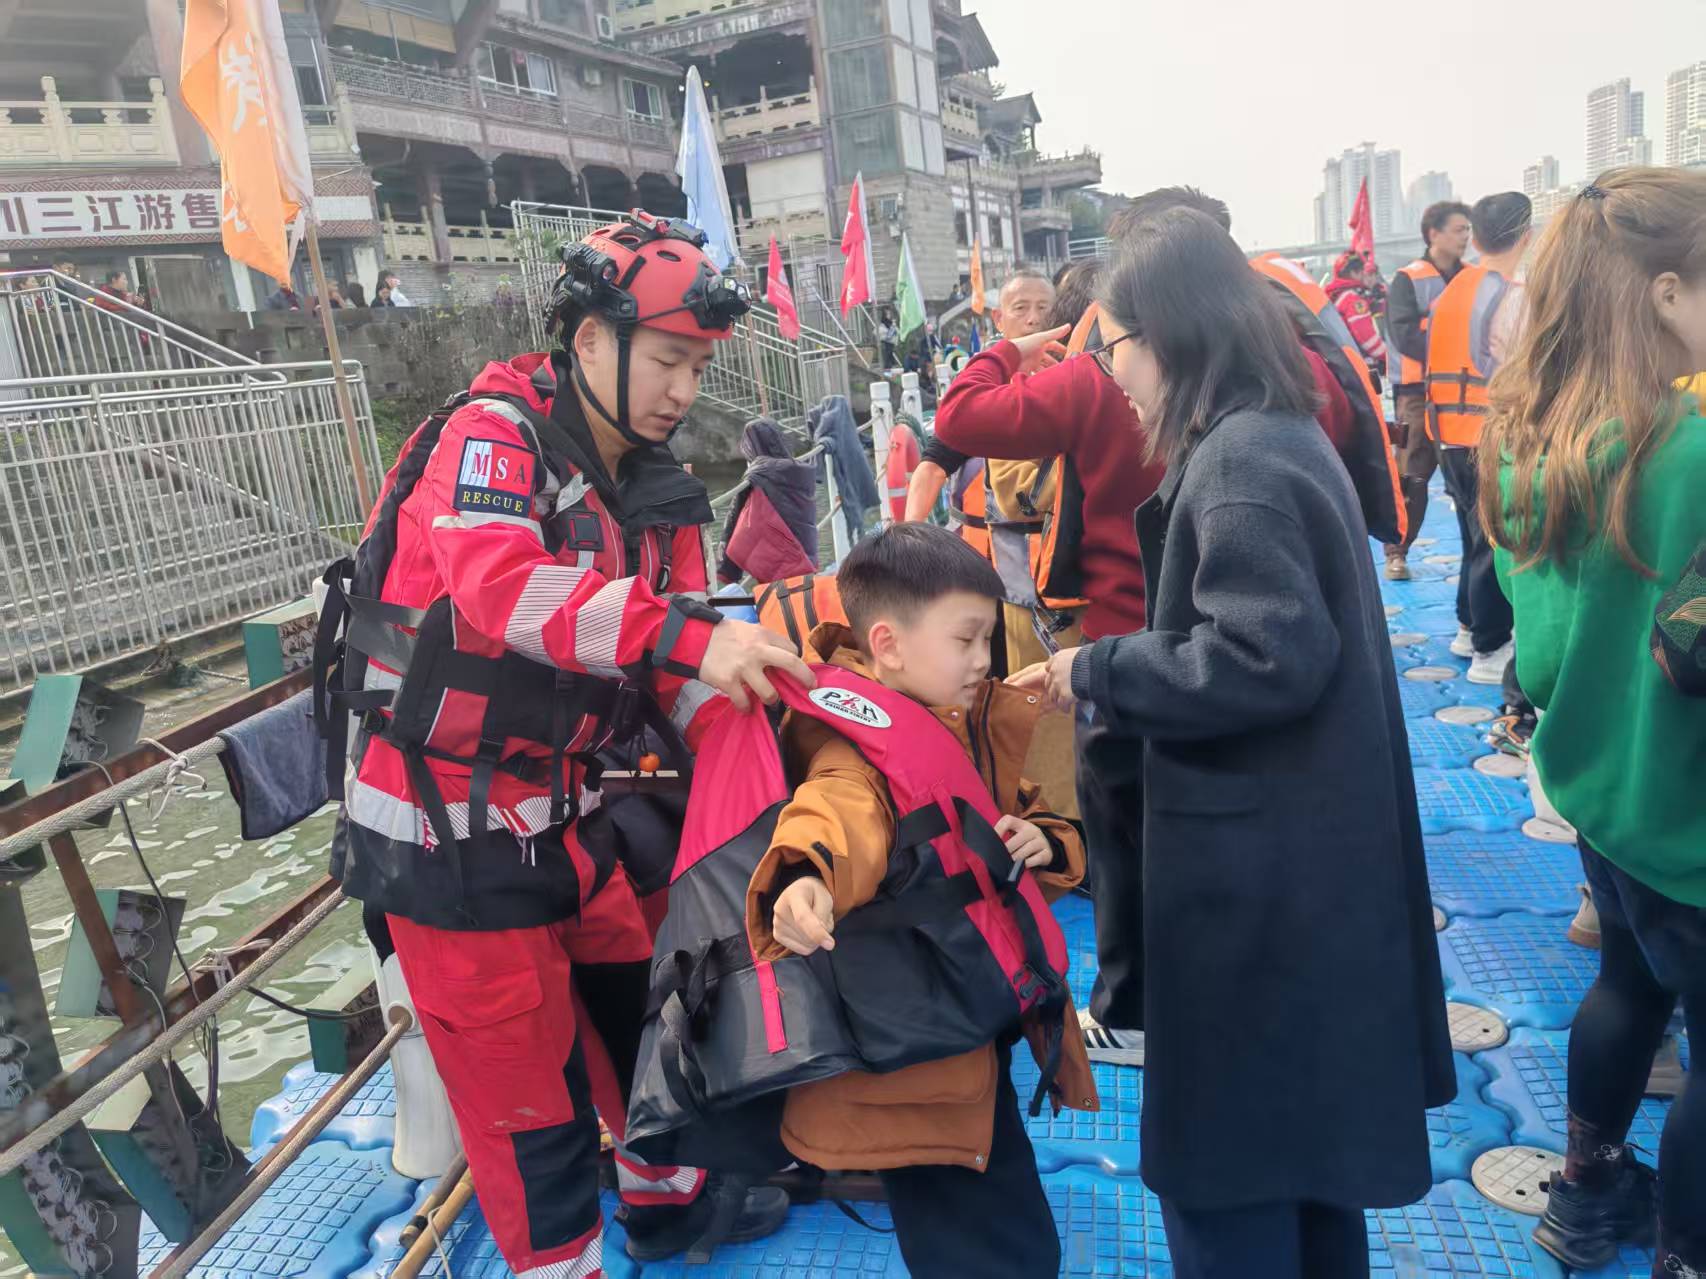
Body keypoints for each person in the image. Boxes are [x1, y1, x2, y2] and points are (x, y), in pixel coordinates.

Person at [319, 214, 805, 1274]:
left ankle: (666, 1198)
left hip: (566, 812)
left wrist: (769, 736)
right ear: (588, 339)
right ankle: (563, 1259)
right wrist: (691, 640)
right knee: (528, 1111)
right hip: (447, 836)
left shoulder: (653, 483)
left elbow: (679, 667)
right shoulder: (491, 438)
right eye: (666, 360)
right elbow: (500, 589)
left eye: (697, 367)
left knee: (643, 1011)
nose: (682, 390)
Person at [1016, 206, 1453, 1279]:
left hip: (1259, 894)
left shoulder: (1241, 465)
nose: (1109, 374)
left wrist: (1096, 670)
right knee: (1307, 1167)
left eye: (1112, 346)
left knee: (1229, 1173)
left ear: (1167, 335)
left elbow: (1266, 655)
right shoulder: (1273, 434)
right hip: (1300, 867)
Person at [755, 522, 1093, 1279]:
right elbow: (832, 815)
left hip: (963, 1035)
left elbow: (1012, 811)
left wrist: (1044, 839)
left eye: (987, 639)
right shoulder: (857, 747)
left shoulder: (953, 719)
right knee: (994, 1253)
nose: (984, 659)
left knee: (1008, 1236)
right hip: (916, 1071)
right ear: (889, 644)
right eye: (966, 639)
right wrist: (803, 878)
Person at [1479, 166, 1706, 1276]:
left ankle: (1585, 1189)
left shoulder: (1535, 437)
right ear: (1665, 293)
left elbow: (1540, 651)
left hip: (1593, 793)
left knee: (1625, 984)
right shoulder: (1688, 448)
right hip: (1686, 813)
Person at [932, 256, 1165, 1070]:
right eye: (1018, 310)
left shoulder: (1082, 385)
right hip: (1105, 617)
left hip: (1090, 626)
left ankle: (1128, 1005)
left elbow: (958, 418)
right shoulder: (1223, 375)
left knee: (1112, 811)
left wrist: (1009, 357)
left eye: (1045, 309)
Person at [1424, 191, 1533, 682]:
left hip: (1448, 434)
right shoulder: (1511, 296)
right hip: (1490, 435)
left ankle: (1469, 628)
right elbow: (1522, 369)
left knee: (1473, 539)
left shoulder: (1452, 290)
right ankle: (1491, 650)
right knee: (1494, 544)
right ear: (1525, 236)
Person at [1383, 199, 1472, 580]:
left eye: (1468, 230)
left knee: (1471, 474)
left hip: (1467, 395)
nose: (1465, 237)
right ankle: (1397, 551)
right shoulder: (1408, 279)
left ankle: (1479, 554)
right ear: (1433, 234)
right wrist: (1453, 349)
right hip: (1418, 394)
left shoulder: (1473, 278)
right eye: (1458, 229)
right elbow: (1403, 334)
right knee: (1413, 473)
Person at [1326, 251, 1388, 385]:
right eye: (1362, 272)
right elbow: (1368, 340)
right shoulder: (1353, 300)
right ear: (1354, 273)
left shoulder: (1337, 296)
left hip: (1344, 365)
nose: (1365, 276)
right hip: (1362, 368)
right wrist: (1390, 357)